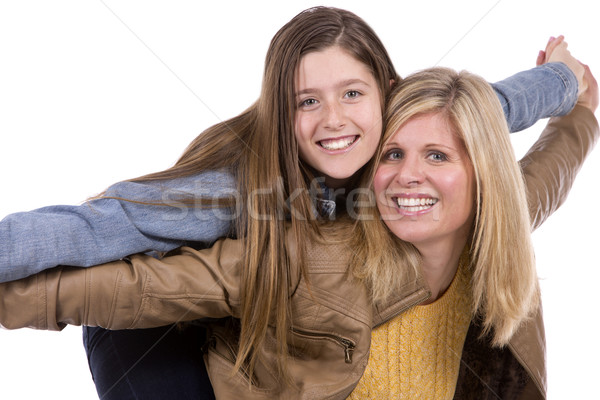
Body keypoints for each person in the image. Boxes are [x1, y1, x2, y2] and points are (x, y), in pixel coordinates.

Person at [0, 6, 585, 399]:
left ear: (386, 93)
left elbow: (503, 120)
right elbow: (107, 244)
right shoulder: (233, 194)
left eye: (353, 93)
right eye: (307, 101)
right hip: (156, 313)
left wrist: (573, 95)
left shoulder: (461, 188)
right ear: (281, 112)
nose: (334, 119)